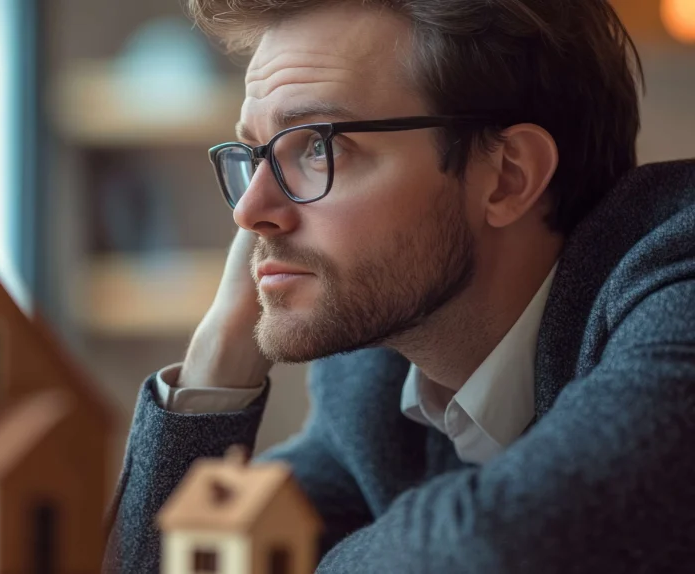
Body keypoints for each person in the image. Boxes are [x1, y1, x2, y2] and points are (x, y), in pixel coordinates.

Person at [103, 0, 695, 572]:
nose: (250, 210)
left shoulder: (678, 279)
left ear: (507, 177)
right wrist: (215, 364)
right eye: (255, 155)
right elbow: (207, 554)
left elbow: (503, 548)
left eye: (317, 145)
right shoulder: (375, 386)